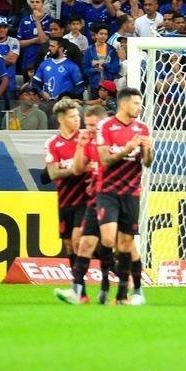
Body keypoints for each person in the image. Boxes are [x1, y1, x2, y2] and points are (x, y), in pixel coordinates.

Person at [95, 87, 154, 305]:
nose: (139, 107)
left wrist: (147, 150)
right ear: (123, 104)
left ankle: (131, 292)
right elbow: (105, 160)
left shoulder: (143, 128)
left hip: (131, 192)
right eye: (136, 103)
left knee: (126, 243)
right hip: (108, 191)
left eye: (140, 103)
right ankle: (104, 284)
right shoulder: (106, 126)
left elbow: (147, 162)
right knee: (109, 239)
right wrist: (126, 149)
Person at [49, 99, 95, 304]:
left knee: (78, 240)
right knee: (69, 244)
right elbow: (52, 173)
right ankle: (82, 292)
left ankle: (77, 290)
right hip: (65, 199)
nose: (77, 120)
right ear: (61, 119)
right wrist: (76, 169)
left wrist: (68, 170)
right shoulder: (53, 144)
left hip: (86, 198)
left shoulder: (86, 139)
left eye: (78, 116)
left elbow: (92, 166)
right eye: (72, 116)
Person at [73, 104, 114, 304]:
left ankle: (109, 284)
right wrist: (81, 145)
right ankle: (78, 292)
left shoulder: (110, 142)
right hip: (95, 199)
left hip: (115, 200)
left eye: (93, 125)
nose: (89, 128)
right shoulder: (89, 142)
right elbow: (78, 169)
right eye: (87, 125)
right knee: (85, 243)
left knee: (115, 245)